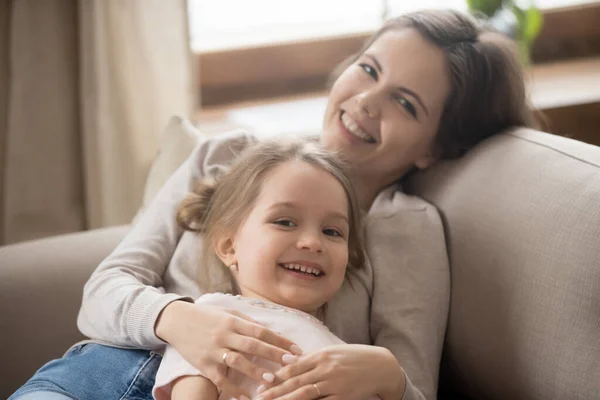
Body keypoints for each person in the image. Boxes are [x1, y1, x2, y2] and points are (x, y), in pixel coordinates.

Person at [11, 9, 535, 400]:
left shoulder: (407, 230)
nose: (367, 101)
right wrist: (180, 318)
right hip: (107, 371)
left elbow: (412, 385)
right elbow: (101, 294)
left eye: (404, 102)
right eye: (369, 70)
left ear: (435, 147)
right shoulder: (224, 156)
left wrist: (390, 376)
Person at [153, 138, 378, 400]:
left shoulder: (346, 356)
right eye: (285, 222)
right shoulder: (213, 320)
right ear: (229, 247)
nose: (313, 243)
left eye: (332, 231)